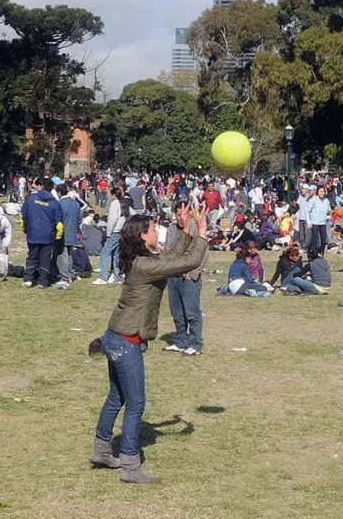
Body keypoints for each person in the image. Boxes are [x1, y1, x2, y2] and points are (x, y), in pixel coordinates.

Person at [90, 205, 209, 483]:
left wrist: (184, 230)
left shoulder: (143, 260)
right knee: (135, 404)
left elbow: (170, 257)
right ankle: (131, 466)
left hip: (115, 336)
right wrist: (201, 235)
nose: (157, 232)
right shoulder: (144, 266)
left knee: (116, 398)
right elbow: (186, 263)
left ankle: (102, 451)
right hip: (125, 342)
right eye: (154, 229)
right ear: (143, 236)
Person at [163, 201, 210, 356]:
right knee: (177, 312)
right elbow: (169, 251)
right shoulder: (171, 230)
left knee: (192, 312)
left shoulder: (197, 230)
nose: (180, 218)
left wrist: (193, 273)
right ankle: (181, 340)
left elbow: (203, 253)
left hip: (189, 278)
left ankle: (195, 343)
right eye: (177, 214)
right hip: (173, 276)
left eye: (183, 214)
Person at [21, 178, 63, 289]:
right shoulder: (55, 203)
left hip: (33, 234)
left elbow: (23, 215)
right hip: (48, 236)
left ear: (42, 186)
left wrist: (25, 228)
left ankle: (28, 279)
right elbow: (59, 223)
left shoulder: (31, 199)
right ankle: (42, 282)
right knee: (45, 259)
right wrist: (57, 237)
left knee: (32, 256)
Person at [94, 188, 127, 285]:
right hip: (121, 231)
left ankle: (103, 277)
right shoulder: (124, 203)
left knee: (104, 254)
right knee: (116, 254)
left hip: (114, 232)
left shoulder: (114, 204)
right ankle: (117, 276)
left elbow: (112, 219)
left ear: (113, 195)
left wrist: (108, 233)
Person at [56, 183, 81, 287]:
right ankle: (70, 273)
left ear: (59, 192)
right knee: (70, 254)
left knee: (62, 255)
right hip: (73, 232)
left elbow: (57, 219)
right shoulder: (75, 203)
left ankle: (65, 276)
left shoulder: (59, 204)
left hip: (63, 233)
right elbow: (79, 219)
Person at [306, 185, 331, 255]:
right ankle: (311, 253)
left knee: (323, 240)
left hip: (323, 222)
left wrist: (329, 212)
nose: (322, 193)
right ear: (317, 192)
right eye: (320, 191)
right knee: (315, 239)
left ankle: (321, 254)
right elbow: (307, 211)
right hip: (314, 222)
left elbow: (327, 210)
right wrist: (308, 222)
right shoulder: (313, 200)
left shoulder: (326, 200)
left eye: (323, 191)